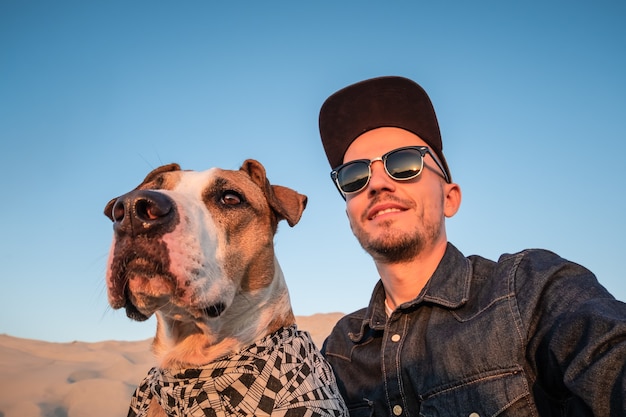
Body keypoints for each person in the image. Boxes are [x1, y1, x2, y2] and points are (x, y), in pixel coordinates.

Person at [317, 76, 626, 416]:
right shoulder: (338, 351)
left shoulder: (529, 289)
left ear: (449, 198)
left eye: (403, 163)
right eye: (354, 176)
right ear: (350, 216)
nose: (376, 183)